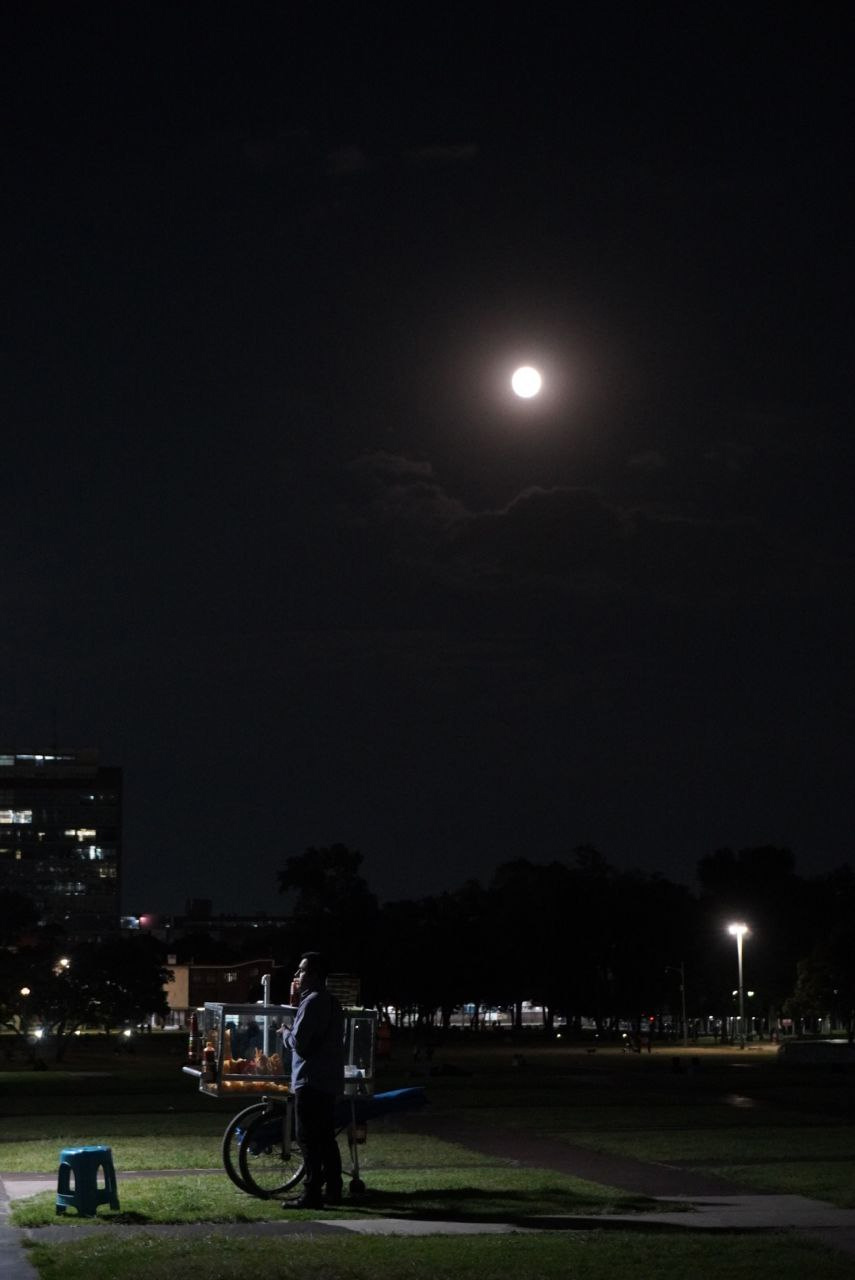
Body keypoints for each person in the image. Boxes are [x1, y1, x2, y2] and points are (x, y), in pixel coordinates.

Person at [281, 951, 345, 1209]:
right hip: (328, 1081)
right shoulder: (332, 1002)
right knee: (326, 1138)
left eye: (302, 970)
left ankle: (311, 1193)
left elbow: (299, 1044)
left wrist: (285, 1032)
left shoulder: (311, 1002)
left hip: (309, 1080)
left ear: (315, 974)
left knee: (307, 1139)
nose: (297, 975)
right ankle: (334, 1189)